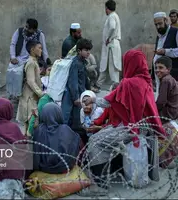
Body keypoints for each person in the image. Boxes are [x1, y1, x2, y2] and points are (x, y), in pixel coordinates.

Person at [84, 50, 166, 185]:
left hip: (131, 128)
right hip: (144, 127)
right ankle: (117, 170)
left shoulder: (129, 83)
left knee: (95, 141)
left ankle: (100, 183)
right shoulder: (147, 81)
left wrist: (91, 100)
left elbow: (108, 101)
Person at [33, 102, 80, 174]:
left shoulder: (39, 130)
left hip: (43, 168)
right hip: (64, 167)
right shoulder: (65, 129)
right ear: (59, 114)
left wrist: (36, 118)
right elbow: (75, 143)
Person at [61, 38, 92, 132]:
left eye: (89, 50)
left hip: (80, 95)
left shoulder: (82, 62)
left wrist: (89, 91)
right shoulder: (75, 63)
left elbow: (85, 79)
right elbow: (72, 82)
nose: (88, 53)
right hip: (72, 96)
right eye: (86, 50)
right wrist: (75, 97)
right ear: (79, 51)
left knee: (78, 119)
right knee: (68, 119)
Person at [16, 40, 44, 136]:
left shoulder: (33, 62)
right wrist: (41, 94)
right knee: (30, 126)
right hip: (29, 99)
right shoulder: (31, 63)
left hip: (31, 97)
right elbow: (31, 81)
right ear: (32, 49)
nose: (41, 50)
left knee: (30, 126)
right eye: (39, 48)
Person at [93, 0, 122, 92]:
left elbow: (112, 27)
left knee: (113, 68)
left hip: (111, 45)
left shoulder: (112, 16)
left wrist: (108, 39)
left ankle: (116, 88)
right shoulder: (114, 16)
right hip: (112, 44)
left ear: (107, 8)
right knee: (105, 66)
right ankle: (98, 85)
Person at [153, 12, 178, 100]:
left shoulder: (175, 32)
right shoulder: (159, 35)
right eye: (156, 24)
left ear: (166, 20)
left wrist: (165, 51)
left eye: (160, 23)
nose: (158, 27)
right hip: (159, 74)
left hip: (172, 74)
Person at [155, 56, 178, 122]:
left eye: (161, 67)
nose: (157, 70)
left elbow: (161, 102)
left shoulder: (165, 81)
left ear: (168, 69)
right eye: (156, 68)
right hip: (174, 112)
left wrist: (152, 109)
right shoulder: (170, 78)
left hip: (168, 113)